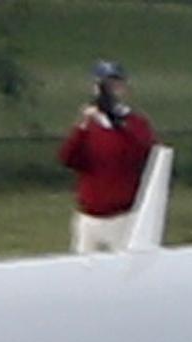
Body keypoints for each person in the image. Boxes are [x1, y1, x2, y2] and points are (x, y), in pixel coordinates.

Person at [57, 59, 158, 254]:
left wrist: (117, 127)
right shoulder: (89, 126)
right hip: (90, 216)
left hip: (121, 216)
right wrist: (82, 126)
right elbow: (68, 158)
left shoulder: (135, 124)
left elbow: (142, 154)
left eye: (115, 85)